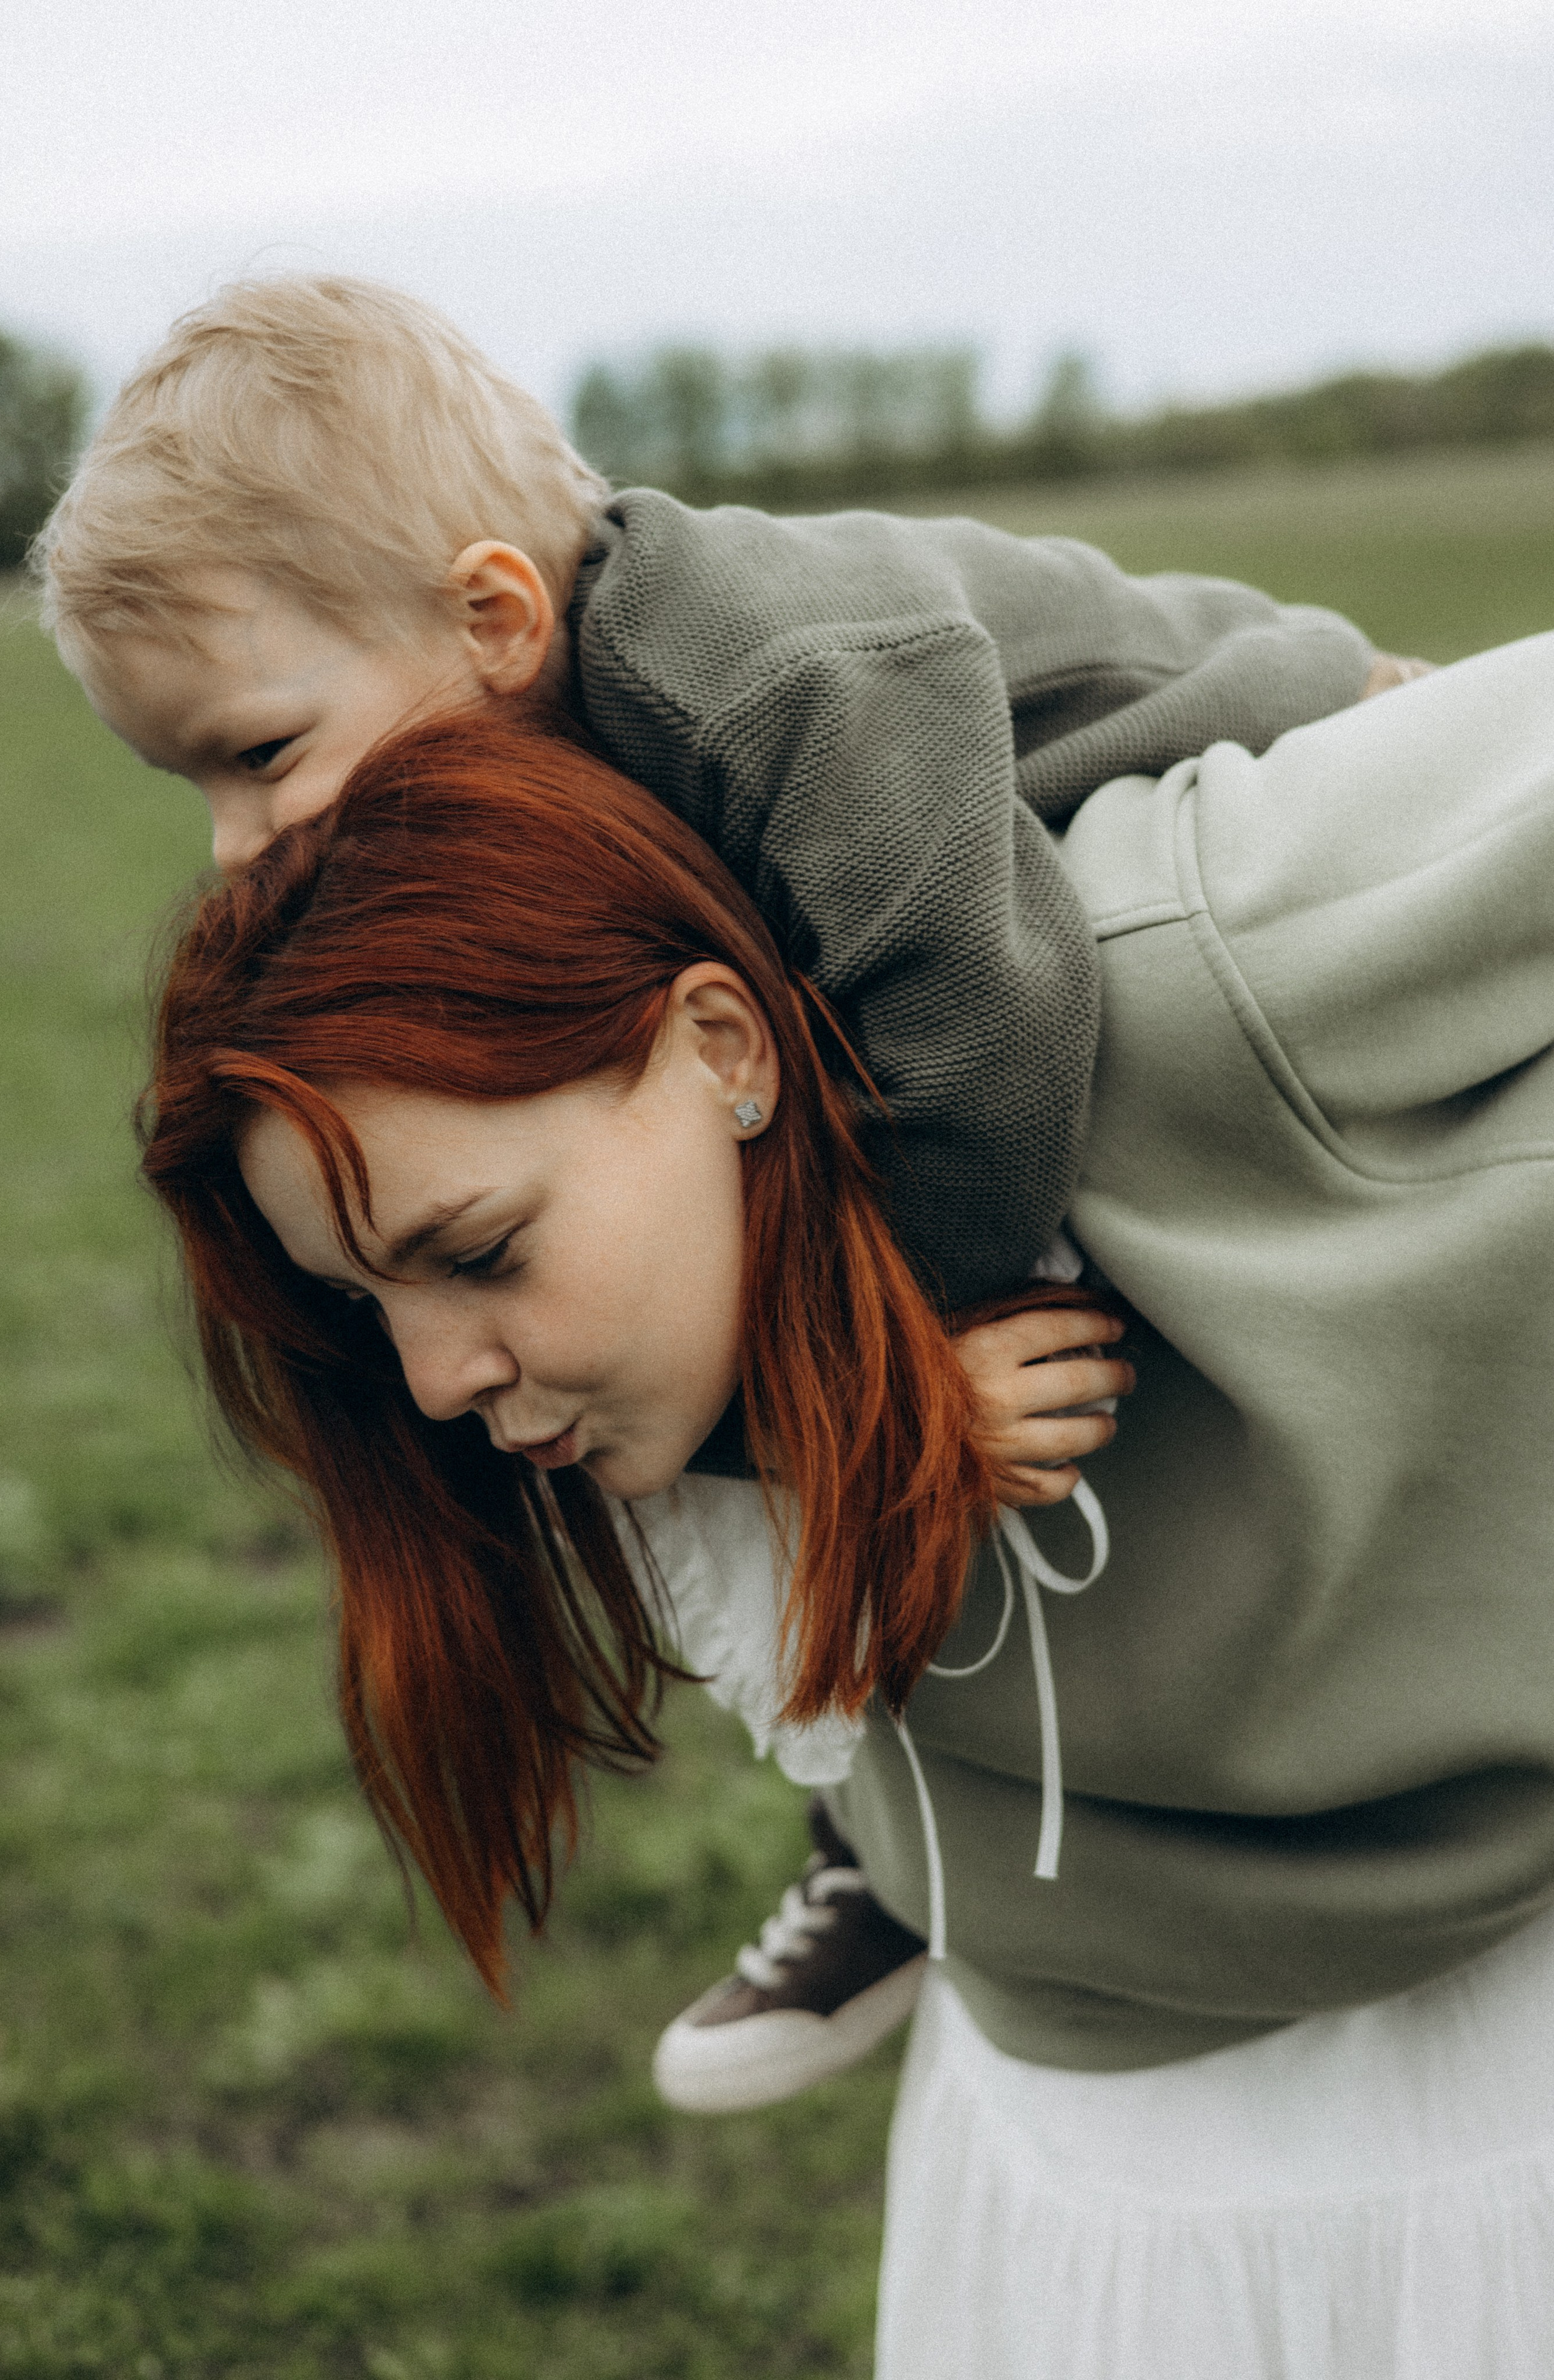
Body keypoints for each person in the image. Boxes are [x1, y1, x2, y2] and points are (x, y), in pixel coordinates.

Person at [36, 270, 1424, 2106]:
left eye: (262, 756)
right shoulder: (544, 746)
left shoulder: (761, 679)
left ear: (494, 617)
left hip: (1326, 743)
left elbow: (980, 1024)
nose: (238, 847)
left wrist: (893, 1366)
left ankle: (911, 1824)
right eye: (195, 785)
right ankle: (889, 1830)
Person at [140, 651, 1554, 2377]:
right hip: (1060, 2139)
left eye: (482, 1253)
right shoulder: (637, 1385)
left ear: (720, 1047)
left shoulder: (1179, 964)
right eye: (367, 1307)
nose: (434, 1382)